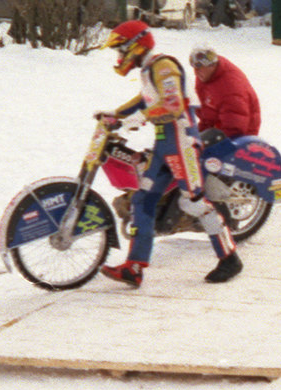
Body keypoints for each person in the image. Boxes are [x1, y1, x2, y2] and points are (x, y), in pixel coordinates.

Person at [95, 20, 241, 287]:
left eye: (122, 49)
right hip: (164, 143)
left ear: (136, 46)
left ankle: (229, 257)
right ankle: (134, 267)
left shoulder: (163, 66)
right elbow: (144, 100)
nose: (120, 57)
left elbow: (172, 105)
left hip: (181, 140)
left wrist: (127, 121)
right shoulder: (150, 68)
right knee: (143, 200)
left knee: (193, 202)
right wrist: (115, 115)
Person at [190, 46, 261, 139]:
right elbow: (206, 113)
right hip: (219, 127)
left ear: (212, 65)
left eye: (200, 67)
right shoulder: (205, 76)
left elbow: (235, 125)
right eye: (195, 67)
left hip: (240, 136)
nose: (196, 72)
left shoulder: (230, 88)